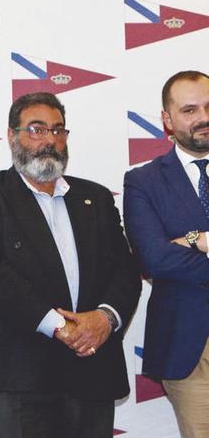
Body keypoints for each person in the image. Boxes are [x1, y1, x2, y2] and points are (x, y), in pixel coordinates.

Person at [0, 92, 141, 438]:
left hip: (92, 366)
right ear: (12, 136)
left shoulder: (96, 198)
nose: (50, 140)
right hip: (19, 371)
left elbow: (126, 271)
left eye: (58, 131)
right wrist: (58, 325)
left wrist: (105, 318)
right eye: (36, 130)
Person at [123, 70, 209, 438]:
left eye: (208, 106)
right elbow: (154, 259)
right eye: (190, 110)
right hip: (191, 353)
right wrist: (199, 237)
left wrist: (188, 240)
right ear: (167, 120)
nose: (203, 117)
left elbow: (170, 255)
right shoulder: (143, 181)